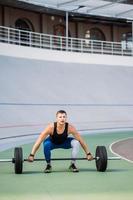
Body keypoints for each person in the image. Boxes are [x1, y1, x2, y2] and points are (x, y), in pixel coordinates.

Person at [28, 110, 93, 173]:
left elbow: (81, 140)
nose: (62, 119)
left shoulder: (70, 127)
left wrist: (88, 154)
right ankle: (48, 165)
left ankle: (72, 164)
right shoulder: (50, 127)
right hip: (52, 143)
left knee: (76, 142)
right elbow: (39, 141)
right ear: (57, 118)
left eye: (64, 117)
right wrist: (32, 155)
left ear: (66, 118)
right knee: (46, 145)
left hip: (64, 143)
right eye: (60, 117)